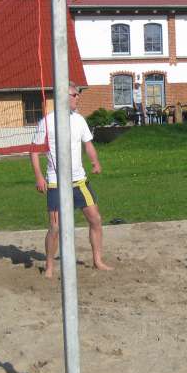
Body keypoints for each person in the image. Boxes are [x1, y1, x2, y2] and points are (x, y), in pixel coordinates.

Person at [30, 83, 113, 278]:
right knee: (56, 227)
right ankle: (49, 266)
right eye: (75, 95)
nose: (78, 98)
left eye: (78, 94)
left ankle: (97, 261)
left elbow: (88, 144)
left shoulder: (79, 121)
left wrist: (95, 162)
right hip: (56, 182)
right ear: (63, 97)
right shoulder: (48, 122)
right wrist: (39, 176)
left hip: (78, 181)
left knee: (96, 219)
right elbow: (33, 151)